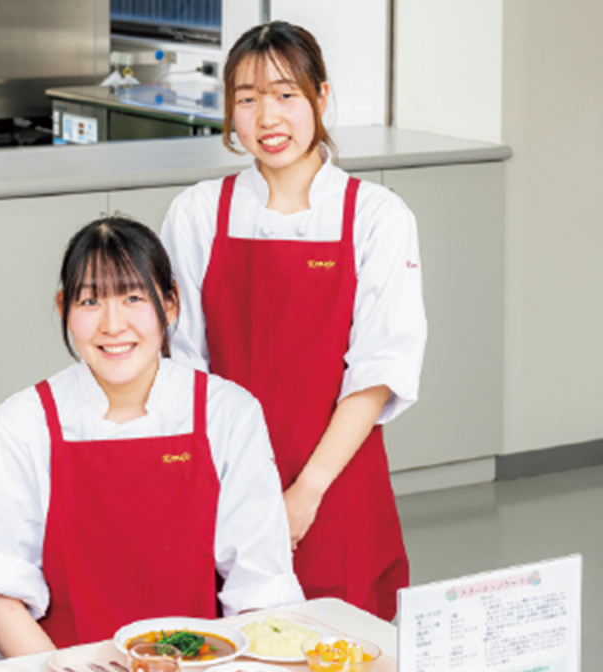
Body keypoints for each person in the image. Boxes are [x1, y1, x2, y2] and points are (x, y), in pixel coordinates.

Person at [159, 21, 427, 622]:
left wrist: (305, 493)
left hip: (337, 483)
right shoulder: (199, 212)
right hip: (222, 479)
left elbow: (380, 367)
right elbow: (182, 362)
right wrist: (234, 491)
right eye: (247, 99)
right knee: (224, 641)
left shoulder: (376, 217)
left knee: (342, 638)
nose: (267, 118)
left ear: (321, 97)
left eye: (286, 94)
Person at [0, 217, 303, 657]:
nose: (113, 325)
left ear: (170, 305)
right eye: (90, 301)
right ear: (63, 308)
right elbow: (0, 594)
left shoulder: (228, 413)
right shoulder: (22, 423)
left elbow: (261, 588)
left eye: (133, 298)